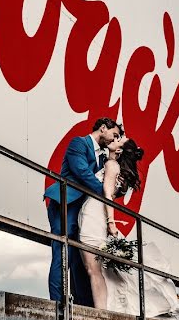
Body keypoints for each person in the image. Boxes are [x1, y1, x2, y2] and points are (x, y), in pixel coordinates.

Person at [78, 137, 179, 320]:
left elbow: (107, 195)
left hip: (94, 214)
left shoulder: (112, 164)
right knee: (97, 270)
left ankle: (101, 315)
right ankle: (102, 313)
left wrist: (111, 223)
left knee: (93, 269)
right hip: (97, 214)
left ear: (120, 151)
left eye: (119, 139)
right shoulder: (116, 167)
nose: (115, 138)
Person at [43, 117, 123, 306]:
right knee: (62, 252)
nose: (114, 140)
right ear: (103, 128)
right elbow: (82, 173)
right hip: (65, 203)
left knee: (81, 260)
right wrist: (104, 193)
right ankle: (58, 303)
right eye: (114, 135)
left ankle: (83, 305)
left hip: (83, 212)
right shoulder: (78, 143)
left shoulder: (104, 157)